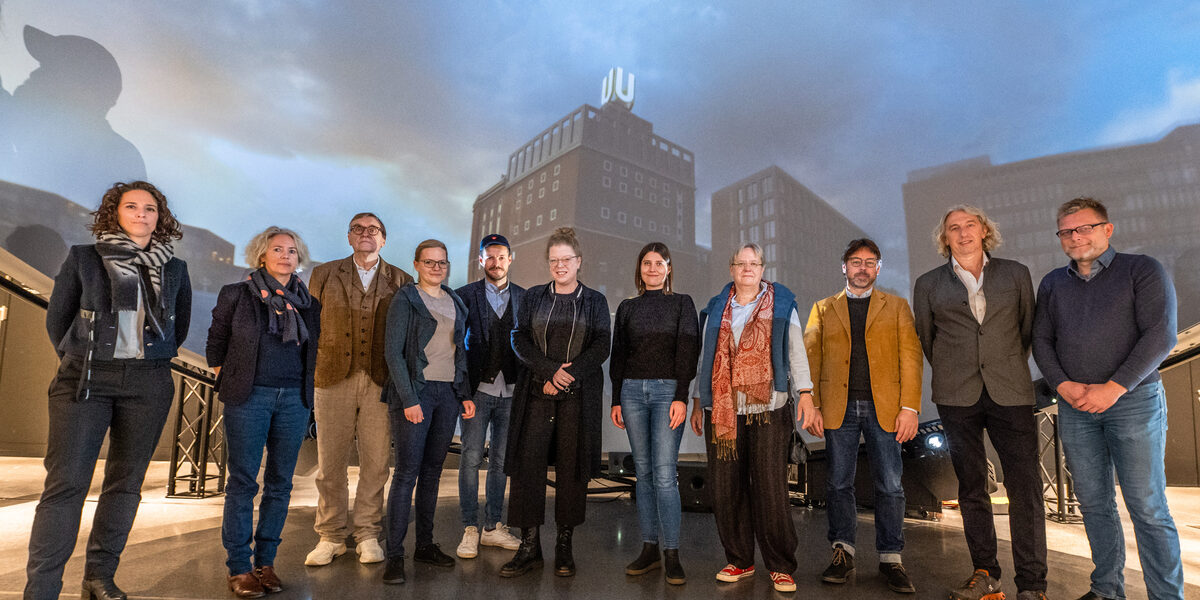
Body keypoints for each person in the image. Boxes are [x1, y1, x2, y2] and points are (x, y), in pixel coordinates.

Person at [26, 181, 191, 600]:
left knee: (125, 484)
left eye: (150, 208)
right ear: (114, 213)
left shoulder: (174, 269)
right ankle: (41, 588)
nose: (141, 214)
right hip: (85, 380)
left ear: (160, 216)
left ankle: (99, 577)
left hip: (149, 382)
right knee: (66, 485)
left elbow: (178, 326)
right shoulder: (86, 258)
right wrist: (86, 357)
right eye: (131, 206)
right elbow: (58, 320)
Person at [1033, 198, 1182, 600]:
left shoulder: (1142, 269)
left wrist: (1114, 388)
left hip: (1132, 401)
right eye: (1067, 231)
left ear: (1108, 229)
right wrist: (1062, 385)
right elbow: (1042, 340)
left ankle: (1166, 596)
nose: (1076, 237)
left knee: (1147, 507)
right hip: (1075, 407)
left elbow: (1161, 335)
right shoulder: (1052, 283)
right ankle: (1106, 590)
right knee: (1095, 504)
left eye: (1085, 228)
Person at [912, 206, 1048, 600]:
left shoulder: (1016, 273)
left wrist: (999, 365)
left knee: (1025, 488)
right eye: (953, 228)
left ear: (984, 230)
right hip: (957, 395)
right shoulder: (928, 284)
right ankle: (985, 573)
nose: (962, 232)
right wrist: (960, 369)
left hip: (1010, 391)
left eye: (970, 224)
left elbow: (1027, 330)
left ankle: (1033, 584)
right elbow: (928, 339)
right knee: (972, 487)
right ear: (945, 238)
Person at [689, 242, 816, 594]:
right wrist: (699, 399)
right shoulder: (715, 308)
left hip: (768, 409)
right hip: (723, 410)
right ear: (731, 269)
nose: (747, 269)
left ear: (763, 269)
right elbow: (705, 358)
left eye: (754, 263)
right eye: (741, 263)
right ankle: (739, 560)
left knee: (769, 487)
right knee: (726, 486)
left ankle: (780, 565)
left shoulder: (782, 304)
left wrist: (805, 394)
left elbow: (796, 352)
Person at [803, 238, 922, 594]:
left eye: (870, 262)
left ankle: (890, 558)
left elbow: (912, 358)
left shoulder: (897, 306)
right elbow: (811, 357)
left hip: (885, 407)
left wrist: (910, 407)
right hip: (838, 407)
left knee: (890, 484)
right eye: (856, 261)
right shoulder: (823, 308)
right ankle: (843, 552)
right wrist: (812, 403)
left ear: (879, 268)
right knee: (838, 483)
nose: (863, 268)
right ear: (844, 267)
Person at [207, 227, 320, 598]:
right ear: (262, 255)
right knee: (242, 483)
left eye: (292, 250)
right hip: (249, 398)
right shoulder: (237, 295)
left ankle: (265, 563)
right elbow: (216, 342)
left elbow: (312, 353)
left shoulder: (309, 303)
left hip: (293, 401)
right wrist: (230, 378)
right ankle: (239, 566)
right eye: (277, 249)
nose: (285, 255)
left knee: (280, 485)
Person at [500, 227, 611, 579]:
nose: (560, 265)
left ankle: (565, 545)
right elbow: (519, 338)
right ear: (548, 263)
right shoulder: (532, 296)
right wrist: (549, 373)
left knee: (571, 471)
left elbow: (601, 345)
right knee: (527, 470)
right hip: (536, 394)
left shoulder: (595, 301)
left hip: (577, 398)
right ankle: (529, 546)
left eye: (567, 260)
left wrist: (568, 375)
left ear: (579, 262)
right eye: (554, 260)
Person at [304, 213, 413, 567]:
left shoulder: (402, 280)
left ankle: (367, 532)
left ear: (384, 239)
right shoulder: (323, 274)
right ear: (349, 237)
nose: (366, 234)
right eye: (359, 229)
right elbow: (308, 329)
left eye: (374, 230)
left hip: (382, 381)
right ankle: (331, 535)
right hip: (331, 377)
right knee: (330, 462)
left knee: (377, 461)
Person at [380, 240, 475, 585]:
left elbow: (458, 353)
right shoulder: (405, 299)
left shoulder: (456, 301)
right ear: (417, 264)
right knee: (407, 473)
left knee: (433, 472)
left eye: (442, 263)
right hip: (416, 394)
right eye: (429, 262)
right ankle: (395, 555)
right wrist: (408, 400)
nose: (436, 268)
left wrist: (462, 394)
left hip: (446, 395)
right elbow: (393, 353)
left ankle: (425, 545)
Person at [609, 242, 700, 585]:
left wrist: (681, 396)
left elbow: (687, 351)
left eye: (658, 263)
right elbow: (618, 356)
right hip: (631, 392)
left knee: (664, 475)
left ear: (669, 268)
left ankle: (672, 554)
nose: (651, 268)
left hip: (666, 393)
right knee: (644, 474)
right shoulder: (628, 307)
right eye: (646, 263)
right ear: (640, 269)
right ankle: (649, 549)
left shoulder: (681, 304)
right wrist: (616, 399)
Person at [454, 234, 524, 559]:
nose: (496, 263)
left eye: (501, 256)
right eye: (489, 257)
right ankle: (470, 528)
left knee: (500, 462)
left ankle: (493, 526)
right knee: (470, 458)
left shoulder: (526, 298)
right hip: (477, 392)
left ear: (511, 259)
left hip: (511, 391)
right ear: (481, 261)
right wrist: (461, 389)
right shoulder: (463, 295)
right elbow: (453, 346)